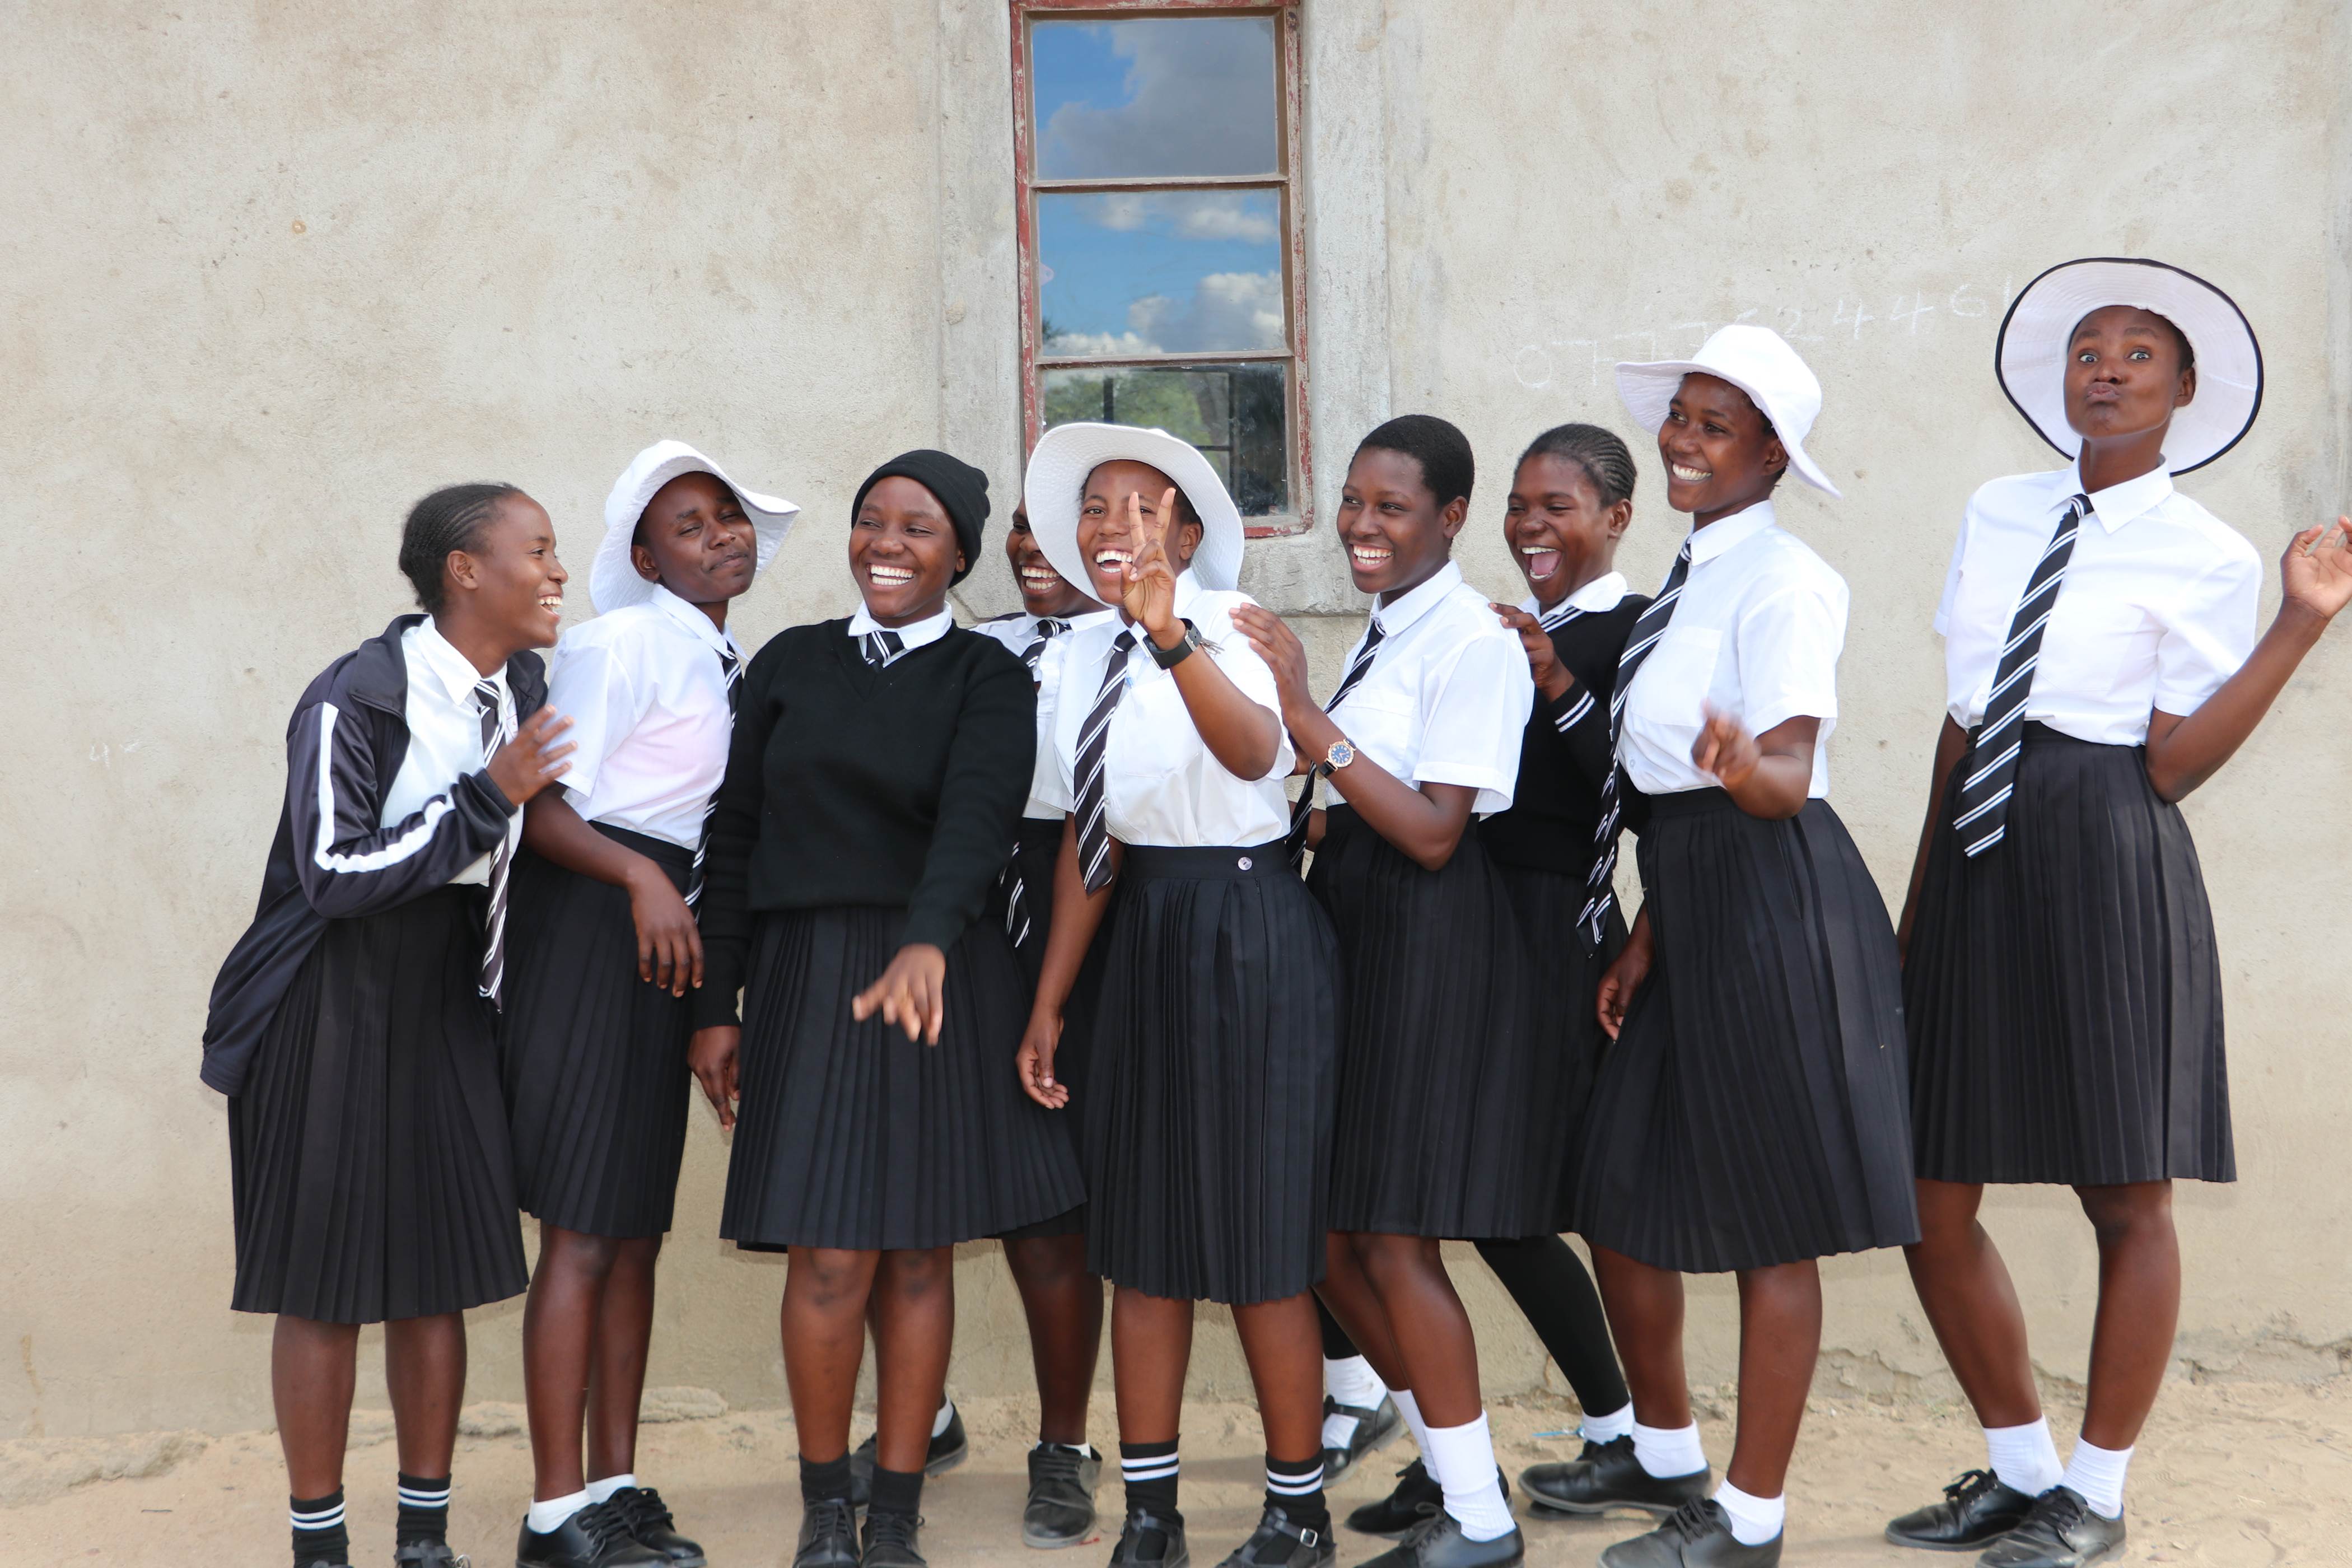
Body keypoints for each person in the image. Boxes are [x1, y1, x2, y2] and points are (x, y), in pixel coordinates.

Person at [1886, 259, 2352, 1568]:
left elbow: (2173, 762)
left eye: (2139, 353)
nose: (2106, 367)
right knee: (1924, 1188)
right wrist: (1918, 917)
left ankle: (2095, 1490)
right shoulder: (1996, 507)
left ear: (2185, 390)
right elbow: (1967, 706)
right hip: (1979, 845)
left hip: (2105, 847)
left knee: (2125, 1191)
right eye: (2088, 348)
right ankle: (2022, 1463)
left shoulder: (2202, 550)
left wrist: (2297, 625)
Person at [687, 450, 1084, 1568]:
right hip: (809, 971)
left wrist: (925, 938)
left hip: (937, 971)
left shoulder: (989, 676)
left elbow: (978, 817)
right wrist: (716, 1002)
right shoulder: (791, 663)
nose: (887, 546)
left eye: (917, 528)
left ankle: (898, 1512)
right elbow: (736, 834)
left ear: (960, 551)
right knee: (827, 1257)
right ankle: (826, 1512)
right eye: (872, 522)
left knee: (916, 1255)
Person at [1567, 325, 1918, 1567]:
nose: (1684, 439)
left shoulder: (1786, 580)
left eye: (1717, 426)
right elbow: (1688, 794)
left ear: (1774, 452)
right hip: (1698, 893)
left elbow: (1781, 772)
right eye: (1682, 416)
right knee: (1617, 1188)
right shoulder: (1692, 574)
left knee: (1776, 1224)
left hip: (1774, 900)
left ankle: (1751, 1518)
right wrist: (1654, 931)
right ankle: (1663, 1449)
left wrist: (1737, 763)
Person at [202, 483, 575, 1568]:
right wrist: (481, 797)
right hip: (327, 996)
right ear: (466, 570)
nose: (557, 571)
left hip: (447, 995)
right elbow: (329, 871)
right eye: (538, 550)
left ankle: (425, 1535)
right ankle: (319, 1540)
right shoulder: (356, 696)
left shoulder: (524, 683)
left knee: (438, 1272)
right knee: (321, 1287)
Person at [1014, 422, 1342, 1568]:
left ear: (1190, 532)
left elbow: (1257, 752)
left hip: (1247, 927)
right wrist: (1051, 1001)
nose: (1112, 527)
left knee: (1260, 1241)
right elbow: (1084, 838)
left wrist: (1170, 640)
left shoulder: (1233, 630)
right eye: (1094, 507)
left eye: (1141, 507)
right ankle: (1150, 1512)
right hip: (1138, 932)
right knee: (1142, 1242)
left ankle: (1297, 1510)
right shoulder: (1068, 658)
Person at [1236, 414, 1541, 1568]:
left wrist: (1306, 718)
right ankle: (1456, 1473)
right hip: (1357, 927)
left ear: (1451, 517)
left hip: (1427, 938)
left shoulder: (1472, 640)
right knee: (1336, 1236)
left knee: (1398, 1239)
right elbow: (1362, 801)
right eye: (1354, 501)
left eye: (1393, 507)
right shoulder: (1391, 626)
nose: (1364, 525)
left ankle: (1481, 1523)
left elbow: (1431, 828)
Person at [1334, 424, 1645, 1539]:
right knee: (1434, 1209)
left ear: (1616, 514)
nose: (1534, 525)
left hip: (1532, 922)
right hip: (1446, 910)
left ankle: (1627, 1429)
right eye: (1524, 503)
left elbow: (1624, 781)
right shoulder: (1463, 626)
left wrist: (1558, 681)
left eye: (1557, 505)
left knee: (1512, 1205)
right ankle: (1446, 1449)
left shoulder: (1603, 631)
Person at [501, 442, 797, 1568]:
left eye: (729, 515)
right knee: (581, 1231)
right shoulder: (615, 644)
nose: (722, 533)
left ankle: (615, 1484)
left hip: (665, 934)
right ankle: (551, 1511)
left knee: (633, 1231)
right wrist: (638, 879)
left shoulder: (732, 662)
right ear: (642, 555)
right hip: (593, 920)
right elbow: (540, 808)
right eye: (690, 523)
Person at [939, 497, 1121, 1548]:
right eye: (1021, 525)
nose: (1033, 545)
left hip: (1093, 927)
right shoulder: (978, 653)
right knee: (928, 1182)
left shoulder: (1149, 646)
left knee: (1053, 1208)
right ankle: (927, 1415)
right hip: (977, 926)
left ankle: (1065, 1446)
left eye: (1058, 526)